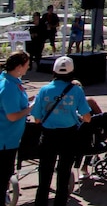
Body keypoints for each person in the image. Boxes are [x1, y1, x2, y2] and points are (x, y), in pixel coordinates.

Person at [31, 56, 92, 206]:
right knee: (64, 174)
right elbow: (87, 117)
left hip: (48, 135)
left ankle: (41, 202)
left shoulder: (44, 90)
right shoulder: (76, 90)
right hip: (69, 135)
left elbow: (36, 119)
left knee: (44, 173)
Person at [1, 51, 31, 206]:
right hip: (5, 139)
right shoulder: (8, 86)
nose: (28, 68)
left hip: (10, 138)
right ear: (19, 67)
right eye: (27, 65)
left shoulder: (12, 81)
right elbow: (12, 116)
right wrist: (30, 109)